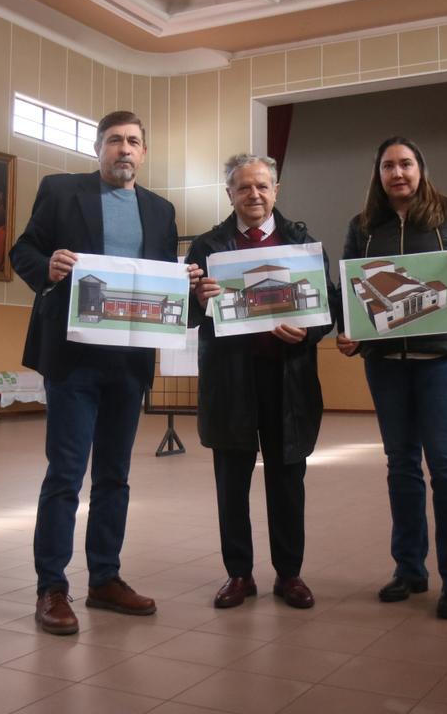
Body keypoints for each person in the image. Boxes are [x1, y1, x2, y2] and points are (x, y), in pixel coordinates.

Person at [11, 110, 203, 635]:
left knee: (115, 476)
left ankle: (104, 579)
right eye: (115, 140)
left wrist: (186, 280)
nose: (124, 149)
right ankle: (52, 586)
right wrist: (45, 265)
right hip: (73, 358)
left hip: (129, 360)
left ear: (144, 153)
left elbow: (164, 280)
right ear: (98, 148)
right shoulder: (59, 190)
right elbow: (21, 248)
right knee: (66, 475)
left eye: (134, 142)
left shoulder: (161, 211)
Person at [336, 135, 447, 620]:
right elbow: (350, 294)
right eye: (388, 165)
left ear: (421, 169)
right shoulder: (362, 226)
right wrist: (351, 334)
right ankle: (409, 569)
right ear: (378, 174)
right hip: (385, 364)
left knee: (446, 464)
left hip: (443, 360)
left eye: (406, 164)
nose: (398, 173)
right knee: (400, 465)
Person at [186, 154, 334, 610]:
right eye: (244, 188)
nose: (254, 195)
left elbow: (326, 308)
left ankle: (289, 574)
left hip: (286, 379)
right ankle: (239, 574)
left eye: (262, 187)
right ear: (229, 194)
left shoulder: (303, 243)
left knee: (287, 478)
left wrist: (306, 331)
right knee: (231, 481)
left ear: (276, 191)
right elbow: (189, 315)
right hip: (230, 379)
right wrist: (197, 297)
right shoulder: (207, 246)